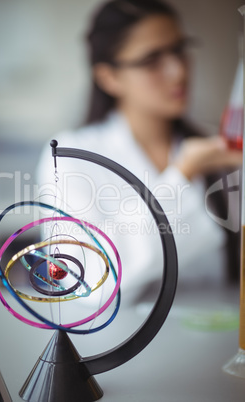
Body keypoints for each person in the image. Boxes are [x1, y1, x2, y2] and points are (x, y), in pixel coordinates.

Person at [37, 0, 242, 304]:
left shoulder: (218, 148)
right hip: (122, 344)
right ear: (108, 77)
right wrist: (183, 174)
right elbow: (86, 279)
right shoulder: (70, 156)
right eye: (151, 60)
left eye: (179, 49)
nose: (178, 71)